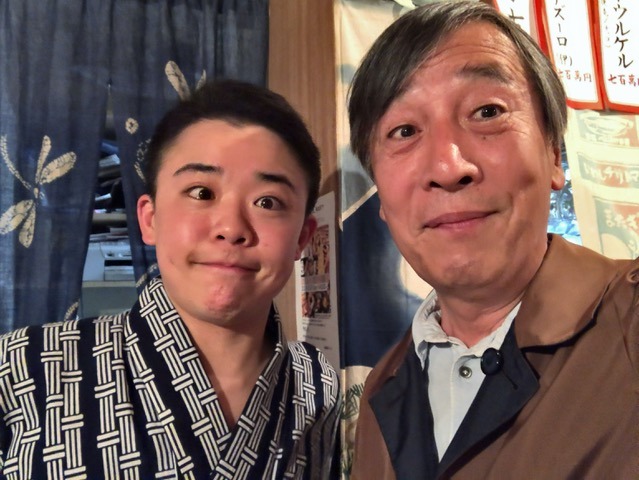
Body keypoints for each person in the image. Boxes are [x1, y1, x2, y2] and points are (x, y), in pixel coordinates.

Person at [347, 2, 638, 479]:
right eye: (404, 130)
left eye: (487, 111)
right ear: (380, 193)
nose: (448, 167)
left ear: (553, 154)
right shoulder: (384, 388)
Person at [0, 80, 341, 479]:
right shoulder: (20, 369)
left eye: (268, 202)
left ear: (302, 238)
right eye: (201, 193)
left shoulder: (317, 384)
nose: (231, 228)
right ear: (150, 219)